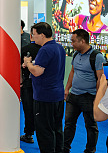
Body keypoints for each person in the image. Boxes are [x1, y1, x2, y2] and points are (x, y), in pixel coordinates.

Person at [23, 22, 66, 153]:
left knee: (45, 131)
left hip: (45, 96)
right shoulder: (59, 48)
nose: (32, 38)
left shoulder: (45, 49)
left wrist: (28, 64)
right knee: (57, 129)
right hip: (57, 95)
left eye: (34, 35)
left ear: (42, 35)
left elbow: (37, 71)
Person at [63, 29, 103, 153]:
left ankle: (90, 150)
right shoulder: (76, 54)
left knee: (91, 126)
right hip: (73, 95)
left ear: (83, 41)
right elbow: (73, 72)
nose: (72, 44)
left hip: (89, 97)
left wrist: (98, 98)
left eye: (74, 41)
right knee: (69, 124)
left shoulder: (97, 57)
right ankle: (64, 149)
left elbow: (100, 79)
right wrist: (67, 88)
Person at [20, 27, 42, 144]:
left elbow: (19, 66)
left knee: (28, 109)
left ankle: (29, 134)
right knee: (43, 110)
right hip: (43, 85)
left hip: (28, 84)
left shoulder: (25, 49)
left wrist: (21, 81)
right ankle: (43, 135)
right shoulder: (47, 49)